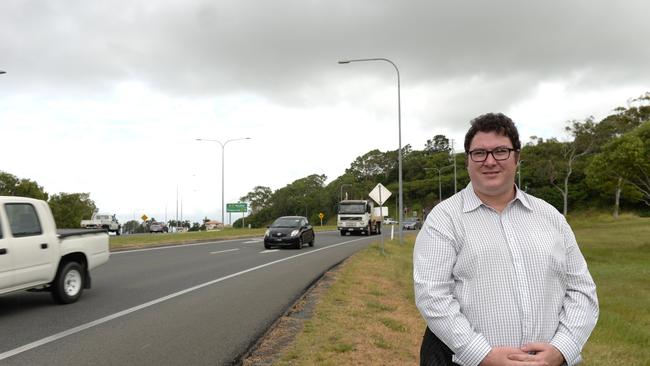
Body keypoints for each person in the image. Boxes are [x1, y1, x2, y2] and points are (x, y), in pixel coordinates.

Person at [413, 113, 598, 366]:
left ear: (517, 158)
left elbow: (582, 290)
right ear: (468, 161)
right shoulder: (444, 219)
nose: (489, 161)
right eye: (479, 153)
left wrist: (561, 349)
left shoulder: (550, 217)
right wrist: (482, 355)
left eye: (501, 151)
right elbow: (432, 295)